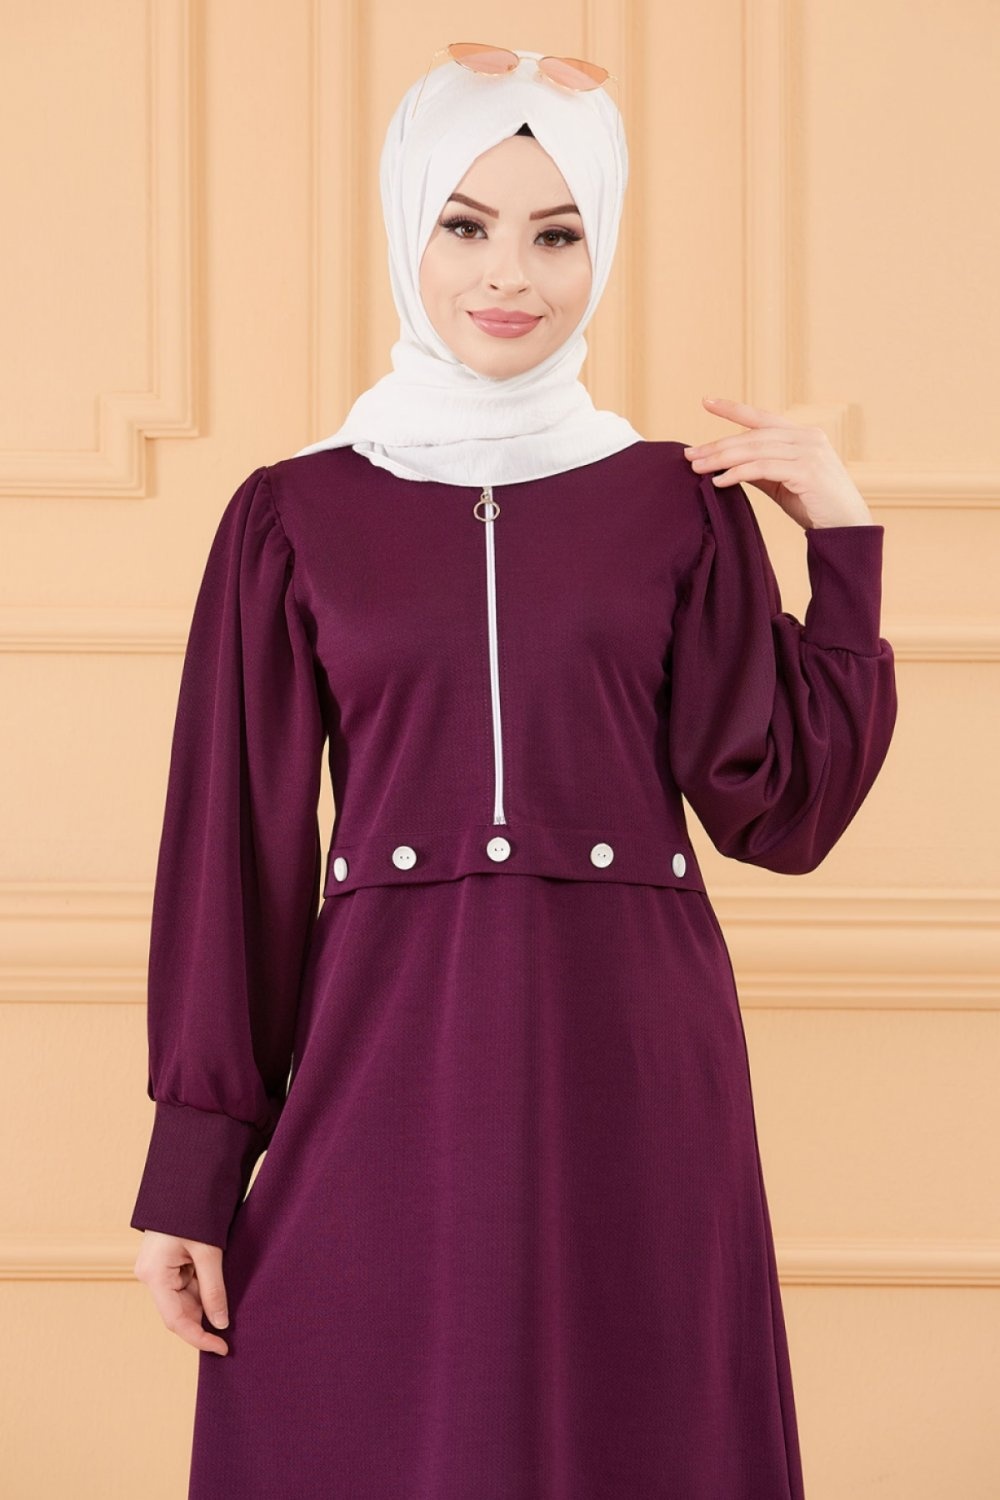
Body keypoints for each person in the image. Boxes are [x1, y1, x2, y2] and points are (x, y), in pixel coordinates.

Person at [130, 43, 897, 1499]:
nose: (510, 276)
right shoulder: (294, 516)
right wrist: (193, 1163)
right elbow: (236, 850)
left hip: (637, 1072)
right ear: (406, 226)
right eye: (467, 224)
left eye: (557, 235)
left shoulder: (680, 506)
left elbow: (780, 808)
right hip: (385, 1066)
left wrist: (843, 545)